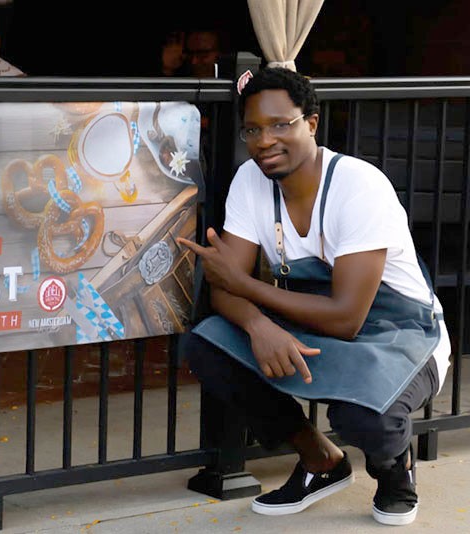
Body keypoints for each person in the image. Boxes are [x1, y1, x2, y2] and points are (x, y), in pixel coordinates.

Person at [178, 68, 450, 526]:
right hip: (309, 320)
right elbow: (224, 288)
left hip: (399, 331)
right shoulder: (251, 180)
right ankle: (320, 460)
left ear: (312, 124)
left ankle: (393, 468)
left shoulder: (358, 186)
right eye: (253, 129)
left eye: (280, 124)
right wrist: (259, 326)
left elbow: (345, 317)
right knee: (208, 343)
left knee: (357, 413)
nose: (264, 141)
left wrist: (246, 289)